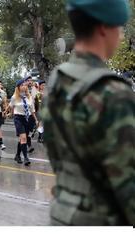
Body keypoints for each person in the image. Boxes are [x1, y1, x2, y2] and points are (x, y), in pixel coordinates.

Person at [42, 0, 135, 225]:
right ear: (104, 27)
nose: (121, 36)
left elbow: (56, 153)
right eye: (119, 28)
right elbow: (128, 183)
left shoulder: (58, 79)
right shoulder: (112, 92)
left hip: (62, 215)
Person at [9, 79, 38, 165]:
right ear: (18, 87)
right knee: (24, 138)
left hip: (27, 118)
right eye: (22, 85)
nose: (24, 87)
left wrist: (36, 120)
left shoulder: (29, 97)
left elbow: (32, 110)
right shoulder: (14, 97)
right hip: (18, 118)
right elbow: (11, 106)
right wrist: (9, 113)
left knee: (22, 139)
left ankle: (17, 155)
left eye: (25, 85)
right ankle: (25, 158)